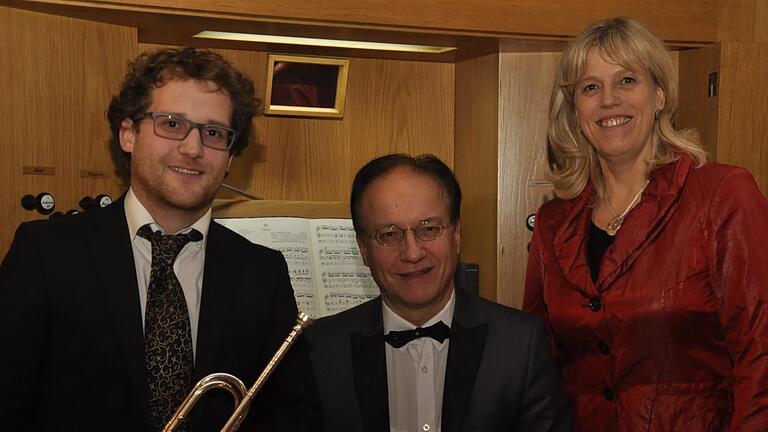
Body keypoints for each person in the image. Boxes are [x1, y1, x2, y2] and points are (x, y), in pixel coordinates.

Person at [0, 47, 319, 431]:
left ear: (231, 157)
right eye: (171, 124)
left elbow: (293, 415)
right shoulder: (46, 253)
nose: (193, 148)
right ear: (129, 134)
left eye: (214, 133)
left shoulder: (261, 272)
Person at [524, 17, 768, 431]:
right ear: (575, 109)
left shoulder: (723, 194)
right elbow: (538, 366)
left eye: (627, 80)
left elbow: (760, 353)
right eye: (590, 87)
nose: (608, 100)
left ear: (659, 95)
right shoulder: (553, 222)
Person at [306, 153, 571, 432]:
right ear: (363, 249)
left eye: (429, 229)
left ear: (456, 235)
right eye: (389, 234)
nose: (411, 253)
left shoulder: (521, 344)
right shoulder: (319, 350)